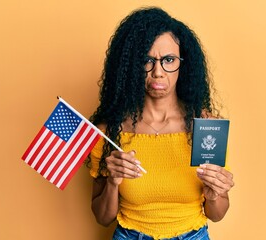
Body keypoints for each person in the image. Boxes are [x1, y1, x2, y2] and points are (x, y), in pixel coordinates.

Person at [88, 7, 234, 240]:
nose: (158, 72)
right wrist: (113, 184)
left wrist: (214, 194)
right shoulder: (110, 131)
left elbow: (216, 214)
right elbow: (102, 217)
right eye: (147, 60)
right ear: (131, 66)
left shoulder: (206, 126)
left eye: (169, 60)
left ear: (183, 64)